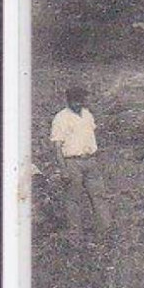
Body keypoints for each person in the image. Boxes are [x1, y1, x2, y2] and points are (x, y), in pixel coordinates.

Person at [48, 84, 111, 238]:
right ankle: (75, 235)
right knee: (73, 199)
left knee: (98, 196)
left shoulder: (87, 114)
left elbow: (91, 136)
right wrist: (63, 169)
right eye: (74, 100)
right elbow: (56, 146)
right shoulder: (61, 118)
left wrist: (96, 157)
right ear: (68, 100)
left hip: (90, 161)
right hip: (72, 162)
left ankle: (106, 231)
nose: (78, 103)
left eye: (80, 100)